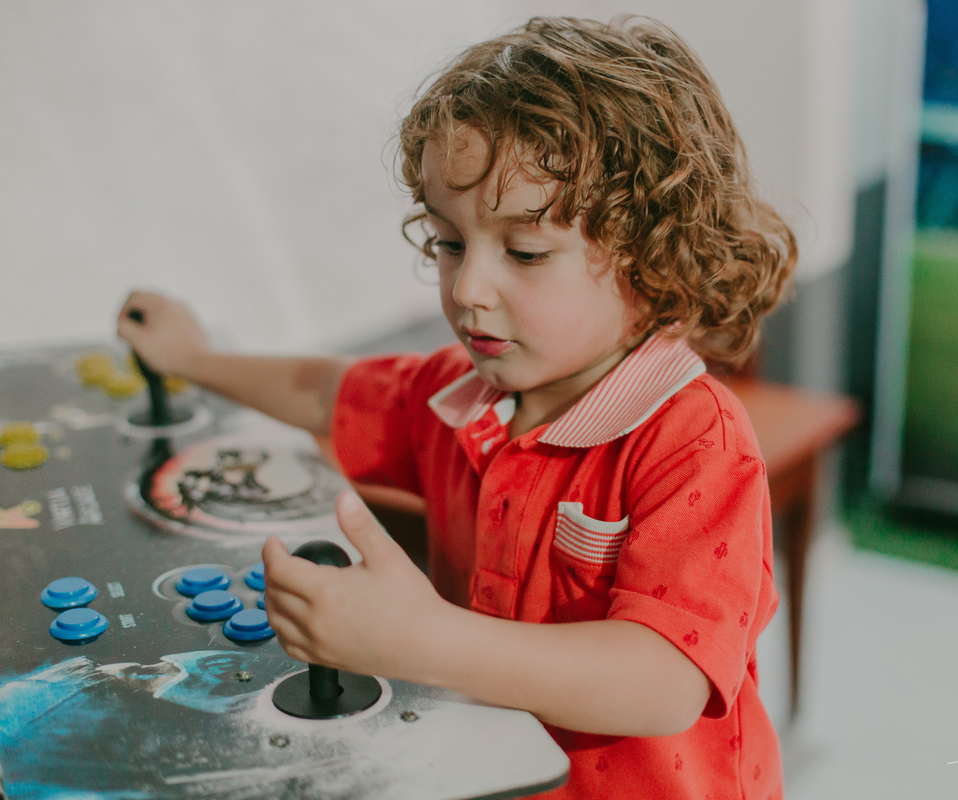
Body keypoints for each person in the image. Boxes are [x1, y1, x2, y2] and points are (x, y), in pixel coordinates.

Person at [118, 15, 795, 799]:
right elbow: (324, 391)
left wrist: (423, 640)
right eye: (448, 242)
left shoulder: (695, 441)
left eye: (525, 252)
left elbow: (664, 679)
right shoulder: (457, 396)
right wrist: (195, 360)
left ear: (653, 256)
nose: (468, 289)